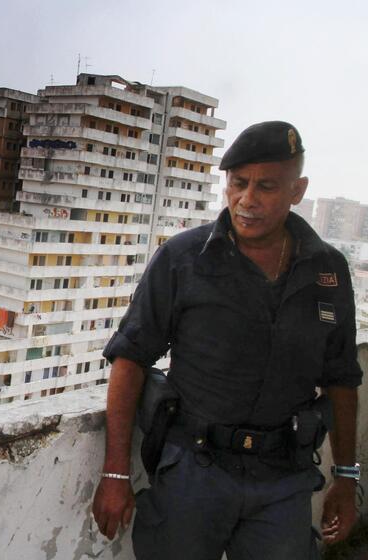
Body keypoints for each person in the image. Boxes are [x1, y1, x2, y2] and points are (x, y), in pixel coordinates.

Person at [91, 121, 362, 559]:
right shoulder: (183, 259)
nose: (247, 200)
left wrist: (347, 478)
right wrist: (116, 474)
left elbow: (342, 378)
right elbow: (131, 361)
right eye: (238, 183)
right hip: (193, 474)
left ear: (298, 190)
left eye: (267, 186)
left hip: (283, 479)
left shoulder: (327, 271)